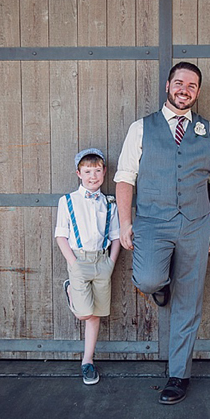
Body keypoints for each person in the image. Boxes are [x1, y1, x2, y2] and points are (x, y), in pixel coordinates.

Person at [114, 62, 210, 404]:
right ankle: (162, 284)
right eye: (179, 83)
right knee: (148, 279)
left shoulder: (209, 131)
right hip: (152, 221)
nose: (184, 90)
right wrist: (124, 222)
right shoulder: (141, 128)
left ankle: (178, 375)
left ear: (197, 92)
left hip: (196, 223)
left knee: (189, 302)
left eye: (192, 86)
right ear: (167, 86)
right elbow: (125, 178)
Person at [55, 148, 121, 385]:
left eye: (97, 171)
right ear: (78, 173)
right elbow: (61, 236)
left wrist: (111, 263)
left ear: (104, 172)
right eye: (87, 171)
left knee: (95, 315)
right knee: (84, 313)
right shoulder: (68, 201)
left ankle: (87, 361)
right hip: (79, 262)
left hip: (102, 262)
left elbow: (116, 236)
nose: (93, 176)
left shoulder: (109, 203)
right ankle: (70, 289)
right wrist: (74, 264)